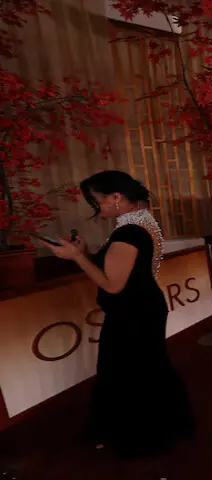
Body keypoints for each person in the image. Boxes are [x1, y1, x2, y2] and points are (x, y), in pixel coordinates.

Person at [40, 170, 194, 457]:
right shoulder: (143, 220)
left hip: (131, 312)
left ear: (116, 197)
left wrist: (77, 257)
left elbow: (112, 284)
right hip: (145, 305)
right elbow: (127, 267)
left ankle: (139, 435)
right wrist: (85, 252)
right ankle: (164, 427)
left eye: (97, 201)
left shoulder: (128, 232)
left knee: (124, 371)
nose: (96, 207)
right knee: (148, 367)